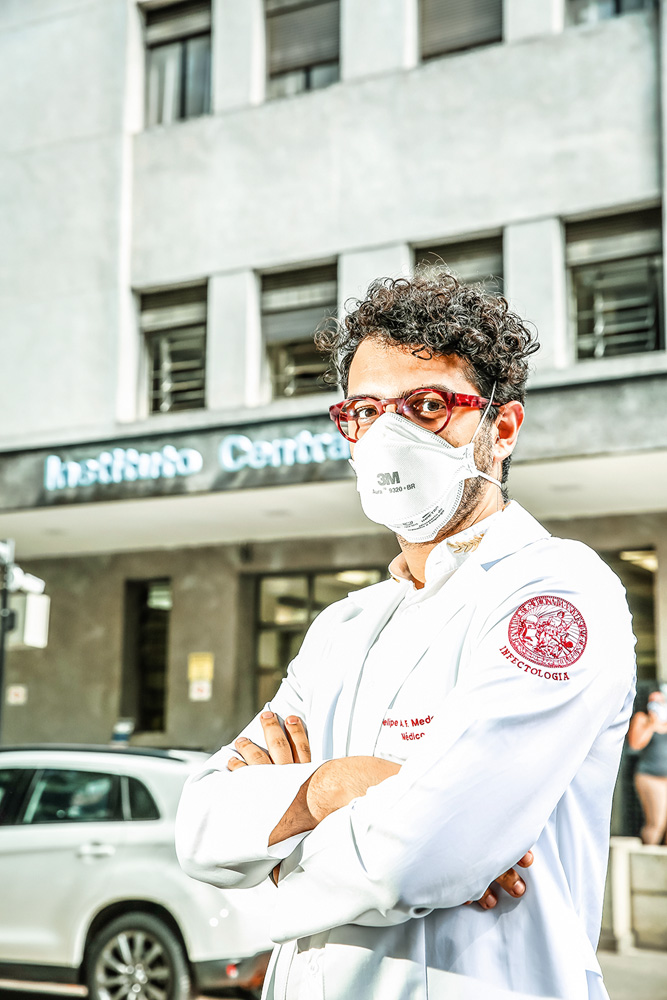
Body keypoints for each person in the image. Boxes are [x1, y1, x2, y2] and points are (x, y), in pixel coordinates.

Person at [176, 272, 637, 1000]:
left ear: (501, 428)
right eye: (363, 409)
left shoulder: (554, 591)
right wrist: (332, 784)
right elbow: (199, 830)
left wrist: (271, 857)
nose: (387, 435)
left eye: (425, 406)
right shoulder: (345, 626)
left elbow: (421, 857)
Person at [628, 689, 667, 844]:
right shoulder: (642, 719)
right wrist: (652, 724)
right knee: (656, 823)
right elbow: (635, 744)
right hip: (650, 776)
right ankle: (646, 861)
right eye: (653, 701)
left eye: (660, 701)